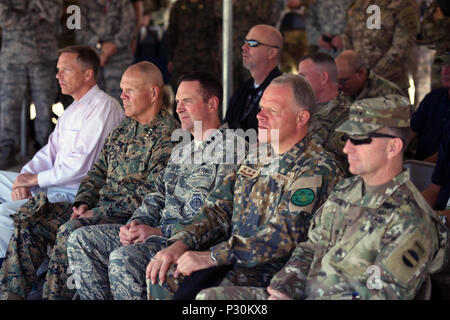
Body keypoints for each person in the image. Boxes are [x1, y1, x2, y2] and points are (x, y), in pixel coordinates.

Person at [197, 95, 449, 300]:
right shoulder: (346, 191)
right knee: (209, 301)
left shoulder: (411, 218)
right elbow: (310, 246)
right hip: (300, 294)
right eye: (347, 138)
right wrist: (284, 289)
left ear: (393, 147)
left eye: (359, 140)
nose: (347, 148)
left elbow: (381, 295)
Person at [146, 73, 344, 300]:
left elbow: (280, 238)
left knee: (208, 299)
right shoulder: (257, 156)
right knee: (162, 274)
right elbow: (217, 208)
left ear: (301, 118)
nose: (260, 116)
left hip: (278, 276)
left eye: (273, 111)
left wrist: (211, 256)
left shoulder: (316, 167)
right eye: (261, 108)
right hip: (234, 262)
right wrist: (181, 242)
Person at [0, 61, 179, 300]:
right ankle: (12, 296)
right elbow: (96, 172)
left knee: (68, 231)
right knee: (32, 221)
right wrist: (84, 202)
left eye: (130, 90)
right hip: (95, 210)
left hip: (127, 219)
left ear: (153, 93)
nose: (122, 96)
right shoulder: (123, 129)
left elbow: (151, 195)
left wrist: (95, 213)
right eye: (121, 89)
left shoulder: (169, 136)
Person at [67, 71, 246, 300]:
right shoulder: (183, 149)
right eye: (178, 102)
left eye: (187, 101)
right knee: (81, 240)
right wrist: (135, 224)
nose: (179, 108)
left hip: (186, 245)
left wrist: (159, 231)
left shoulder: (234, 150)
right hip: (153, 235)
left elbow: (219, 218)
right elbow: (157, 195)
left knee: (124, 259)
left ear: (212, 104)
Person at [0, 45, 125, 266]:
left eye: (65, 69)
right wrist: (25, 177)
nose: (58, 75)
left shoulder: (103, 107)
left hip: (73, 195)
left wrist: (35, 180)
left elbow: (80, 167)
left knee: (3, 214)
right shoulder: (72, 110)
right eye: (58, 69)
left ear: (87, 74)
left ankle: (13, 267)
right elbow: (49, 152)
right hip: (51, 184)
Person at [0, 0, 63, 168]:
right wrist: (37, 17)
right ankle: (7, 148)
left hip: (44, 56)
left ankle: (45, 149)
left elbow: (55, 13)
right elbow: (4, 18)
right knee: (8, 105)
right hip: (13, 58)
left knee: (45, 106)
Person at [341, 0, 420, 95]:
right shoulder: (359, 2)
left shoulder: (403, 3)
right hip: (357, 86)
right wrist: (352, 69)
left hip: (389, 86)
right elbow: (347, 34)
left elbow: (403, 46)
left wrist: (371, 77)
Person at [298, 52, 351, 175]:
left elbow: (343, 166)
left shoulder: (347, 116)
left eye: (303, 76)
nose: (299, 82)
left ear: (323, 77)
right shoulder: (300, 109)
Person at [224, 24, 283, 132]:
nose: (244, 47)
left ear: (272, 53)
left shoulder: (284, 91)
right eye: (245, 42)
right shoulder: (243, 90)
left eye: (252, 43)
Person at [75, 0, 137, 102]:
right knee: (93, 104)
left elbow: (130, 25)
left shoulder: (123, 3)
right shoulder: (82, 4)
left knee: (121, 102)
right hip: (92, 60)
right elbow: (79, 31)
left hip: (119, 60)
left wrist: (114, 45)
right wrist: (99, 46)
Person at [166, 0, 220, 95]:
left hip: (206, 61)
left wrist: (216, 56)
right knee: (181, 94)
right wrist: (170, 58)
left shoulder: (212, 5)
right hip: (182, 61)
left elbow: (217, 35)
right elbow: (171, 35)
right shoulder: (178, 6)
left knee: (206, 93)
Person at [410, 49, 450, 162]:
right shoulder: (434, 97)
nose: (445, 71)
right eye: (444, 65)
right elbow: (412, 130)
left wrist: (419, 167)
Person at [335, 50, 406, 101]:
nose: (338, 86)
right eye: (335, 80)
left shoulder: (390, 96)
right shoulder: (342, 91)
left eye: (342, 81)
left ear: (361, 72)